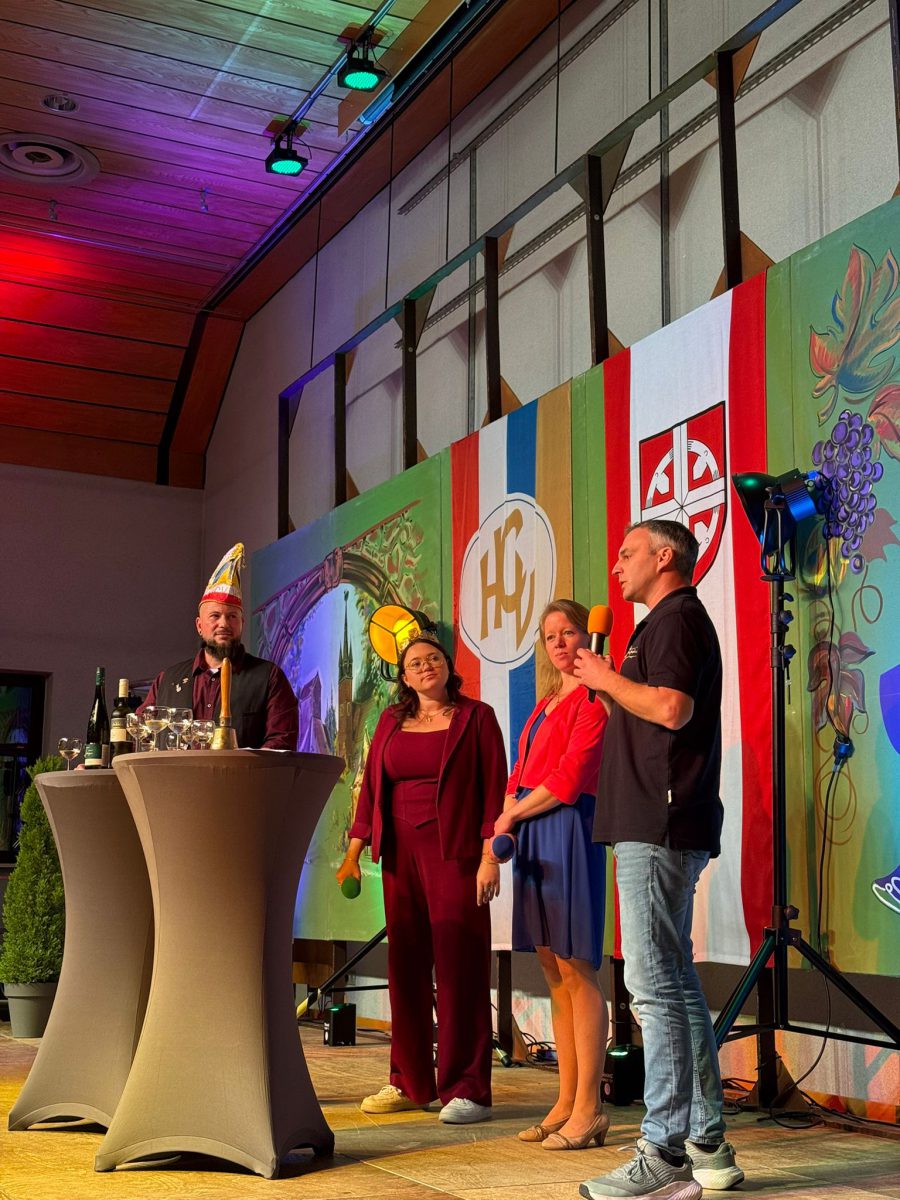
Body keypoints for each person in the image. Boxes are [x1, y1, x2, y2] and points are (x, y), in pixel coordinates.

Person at [574, 520, 744, 1200]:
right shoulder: (666, 623)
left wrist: (606, 676)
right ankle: (706, 1141)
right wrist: (606, 681)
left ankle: (664, 1151)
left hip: (659, 822)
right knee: (673, 982)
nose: (617, 566)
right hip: (659, 821)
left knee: (654, 987)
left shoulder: (674, 619)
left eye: (627, 553)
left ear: (664, 556)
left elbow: (672, 709)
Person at [336, 634, 506, 1124]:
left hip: (456, 853)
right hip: (399, 855)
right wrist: (354, 852)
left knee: (459, 967)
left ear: (448, 667)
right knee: (405, 968)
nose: (426, 666)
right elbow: (371, 789)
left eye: (434, 658)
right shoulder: (391, 720)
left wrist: (490, 856)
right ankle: (409, 1082)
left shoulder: (477, 717)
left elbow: (494, 790)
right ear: (404, 677)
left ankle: (467, 1088)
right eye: (415, 662)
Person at [492, 600, 609, 1151]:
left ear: (588, 636)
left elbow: (569, 779)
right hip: (534, 831)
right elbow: (519, 773)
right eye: (550, 636)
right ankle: (564, 1100)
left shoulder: (594, 699)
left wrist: (513, 813)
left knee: (576, 966)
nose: (560, 643)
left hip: (569, 827)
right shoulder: (545, 704)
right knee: (551, 969)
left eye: (569, 632)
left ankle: (590, 1107)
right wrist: (506, 818)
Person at [139, 543, 298, 750]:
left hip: (243, 774)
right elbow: (140, 735)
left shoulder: (270, 678)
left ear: (241, 624)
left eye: (232, 616)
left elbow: (281, 741)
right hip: (176, 774)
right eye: (215, 616)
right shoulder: (166, 680)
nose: (224, 624)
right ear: (199, 626)